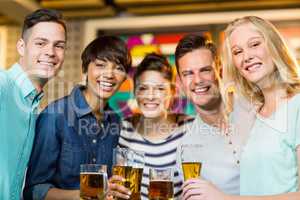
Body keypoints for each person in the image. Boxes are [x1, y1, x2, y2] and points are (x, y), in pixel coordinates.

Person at [23, 35, 132, 200]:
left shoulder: (115, 121)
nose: (109, 74)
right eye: (101, 65)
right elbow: (34, 191)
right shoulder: (55, 115)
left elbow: (106, 188)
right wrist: (80, 195)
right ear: (85, 69)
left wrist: (112, 189)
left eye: (118, 68)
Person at [174, 34, 255, 199]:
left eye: (205, 70)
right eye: (188, 73)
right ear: (180, 82)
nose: (198, 80)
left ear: (220, 69)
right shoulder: (187, 150)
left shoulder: (258, 110)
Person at [0, 9, 67, 200]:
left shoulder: (33, 107)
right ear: (21, 47)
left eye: (59, 46)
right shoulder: (3, 85)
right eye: (40, 43)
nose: (50, 52)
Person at [108, 53, 192, 199]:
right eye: (143, 88)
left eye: (160, 89)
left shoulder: (189, 127)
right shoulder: (122, 130)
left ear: (172, 92)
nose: (151, 96)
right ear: (135, 93)